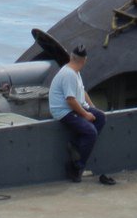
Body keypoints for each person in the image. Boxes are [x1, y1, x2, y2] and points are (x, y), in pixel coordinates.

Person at [48, 45, 116, 185]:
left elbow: (82, 92)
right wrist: (85, 114)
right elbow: (70, 100)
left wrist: (93, 109)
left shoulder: (75, 72)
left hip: (75, 108)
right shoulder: (69, 74)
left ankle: (75, 145)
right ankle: (76, 167)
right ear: (84, 60)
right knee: (90, 132)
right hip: (64, 111)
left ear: (72, 57)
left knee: (101, 117)